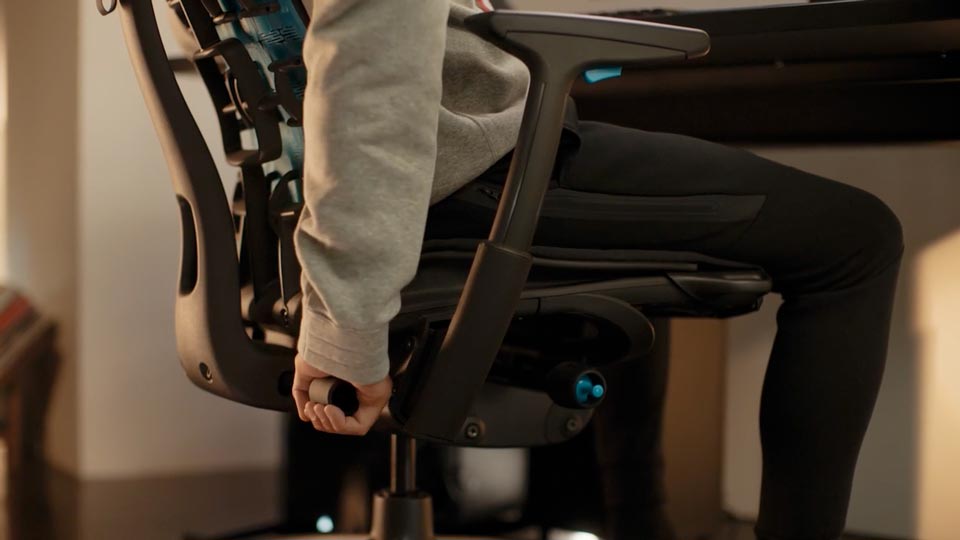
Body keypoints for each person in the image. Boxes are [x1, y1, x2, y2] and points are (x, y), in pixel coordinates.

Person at [288, 1, 904, 539]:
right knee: (858, 239)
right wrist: (347, 319)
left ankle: (640, 525)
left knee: (647, 246)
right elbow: (374, 77)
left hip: (420, 179)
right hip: (471, 175)